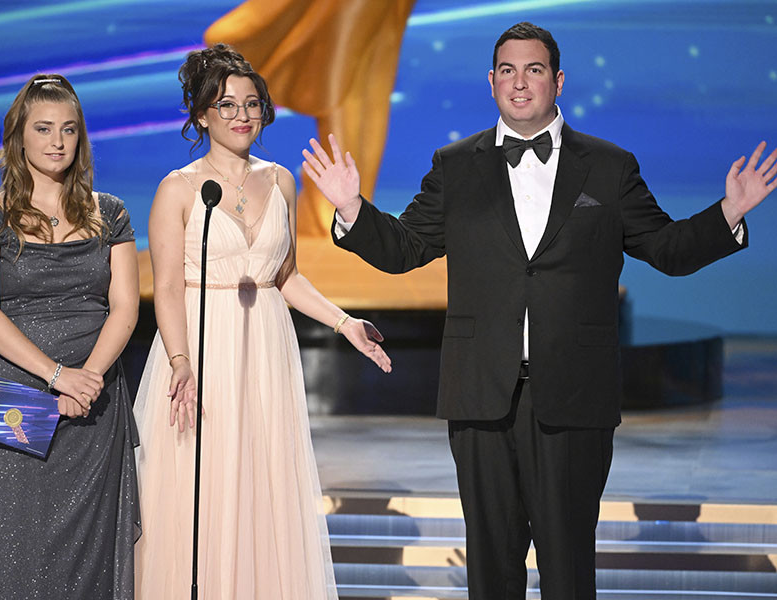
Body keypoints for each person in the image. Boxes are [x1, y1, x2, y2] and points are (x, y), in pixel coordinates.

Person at [303, 22, 776, 600]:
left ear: (557, 81)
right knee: (492, 566)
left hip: (575, 394)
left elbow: (667, 250)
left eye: (533, 70)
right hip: (481, 395)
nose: (519, 82)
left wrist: (728, 211)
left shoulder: (608, 166)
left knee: (568, 564)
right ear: (491, 81)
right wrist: (352, 207)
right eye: (507, 70)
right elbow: (406, 249)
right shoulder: (455, 165)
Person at [132, 44, 391, 599]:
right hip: (201, 349)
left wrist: (345, 323)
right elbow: (169, 289)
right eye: (225, 105)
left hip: (265, 350)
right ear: (201, 114)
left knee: (260, 484)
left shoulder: (280, 182)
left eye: (251, 104)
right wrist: (180, 361)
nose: (242, 115)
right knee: (200, 488)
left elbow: (285, 276)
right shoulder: (177, 189)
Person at [0, 74, 140, 599]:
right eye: (43, 129)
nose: (57, 142)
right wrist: (57, 377)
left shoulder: (111, 214)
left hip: (91, 399)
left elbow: (124, 308)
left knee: (84, 546)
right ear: (19, 136)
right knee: (8, 538)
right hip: (10, 393)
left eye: (68, 130)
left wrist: (86, 382)